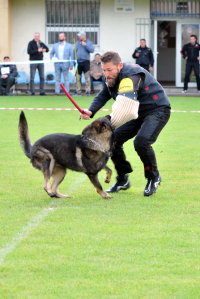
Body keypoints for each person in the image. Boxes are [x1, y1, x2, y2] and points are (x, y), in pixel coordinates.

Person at [80, 51, 171, 196]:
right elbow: (104, 93)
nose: (107, 74)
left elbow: (126, 109)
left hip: (156, 109)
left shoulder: (132, 75)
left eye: (109, 70)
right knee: (112, 140)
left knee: (141, 142)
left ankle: (153, 177)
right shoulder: (111, 77)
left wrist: (106, 123)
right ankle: (123, 179)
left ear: (120, 66)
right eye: (104, 70)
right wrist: (91, 111)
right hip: (138, 112)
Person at [73, 31, 94, 96]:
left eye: (80, 35)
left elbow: (92, 50)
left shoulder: (89, 43)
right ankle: (78, 92)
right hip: (78, 62)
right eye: (78, 36)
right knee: (78, 78)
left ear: (84, 36)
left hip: (86, 62)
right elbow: (74, 52)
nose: (78, 37)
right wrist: (73, 62)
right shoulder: (77, 43)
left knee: (87, 78)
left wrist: (86, 45)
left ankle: (87, 92)